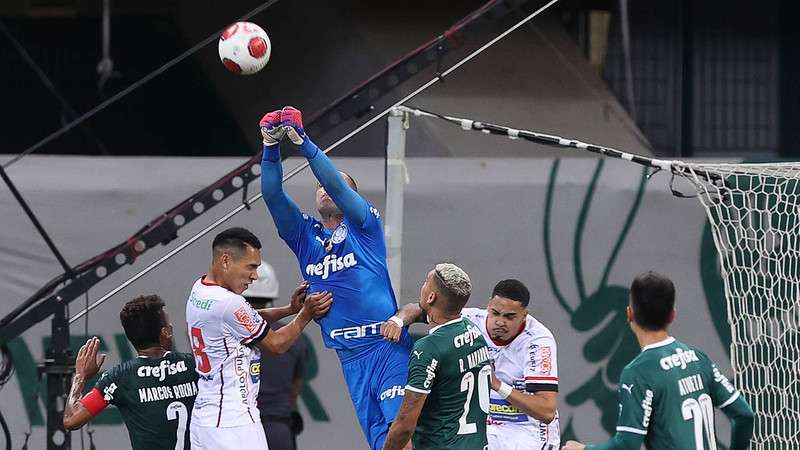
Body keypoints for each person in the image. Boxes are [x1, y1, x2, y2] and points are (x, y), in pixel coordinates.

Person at [259, 106, 412, 449]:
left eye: (337, 186)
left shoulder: (364, 226)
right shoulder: (304, 237)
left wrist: (304, 144)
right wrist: (270, 147)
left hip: (386, 348)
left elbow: (335, 184)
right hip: (350, 358)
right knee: (380, 443)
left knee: (401, 435)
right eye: (321, 187)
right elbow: (271, 195)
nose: (326, 189)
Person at [562, 271, 754, 450]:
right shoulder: (699, 358)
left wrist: (584, 449)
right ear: (673, 315)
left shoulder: (638, 372)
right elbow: (744, 415)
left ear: (630, 314)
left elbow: (627, 444)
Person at [186, 227, 332, 449]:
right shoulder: (230, 303)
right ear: (226, 261)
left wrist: (288, 310)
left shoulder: (200, 289)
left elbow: (243, 321)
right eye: (251, 267)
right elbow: (276, 345)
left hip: (204, 418)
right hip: (233, 422)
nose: (254, 276)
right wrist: (305, 315)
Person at [384, 278, 560, 449]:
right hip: (483, 426)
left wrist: (498, 385)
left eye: (510, 317)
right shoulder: (468, 321)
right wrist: (397, 321)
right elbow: (419, 309)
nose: (500, 322)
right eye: (495, 313)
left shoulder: (538, 342)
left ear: (524, 315)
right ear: (489, 304)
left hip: (526, 431)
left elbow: (546, 412)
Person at [63, 295, 198, 450]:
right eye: (168, 323)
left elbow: (71, 419)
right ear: (166, 332)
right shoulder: (193, 365)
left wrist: (80, 376)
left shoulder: (119, 378)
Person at [382, 263, 492, 450]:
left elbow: (404, 425)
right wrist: (397, 320)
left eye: (426, 282)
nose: (422, 285)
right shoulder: (473, 330)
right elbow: (415, 310)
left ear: (431, 297)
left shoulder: (428, 349)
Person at [242, 261, 308, 450]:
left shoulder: (230, 334)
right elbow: (294, 393)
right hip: (278, 432)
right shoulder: (293, 337)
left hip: (241, 431)